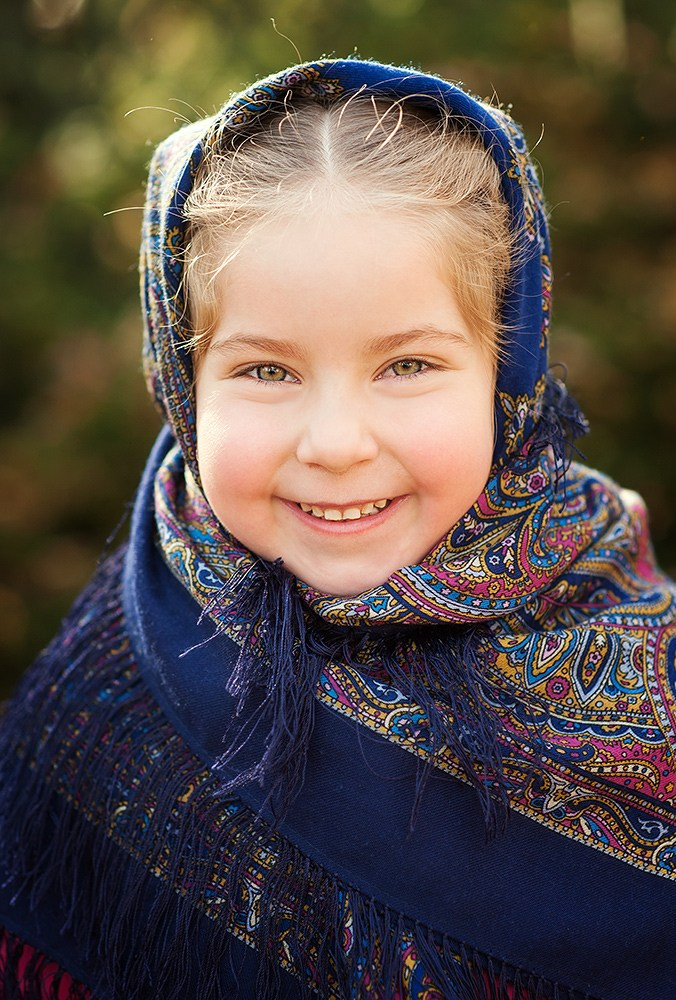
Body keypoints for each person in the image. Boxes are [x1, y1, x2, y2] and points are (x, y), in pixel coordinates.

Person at [0, 58, 674, 1000]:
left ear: (505, 373)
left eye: (406, 365)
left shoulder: (637, 657)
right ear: (182, 384)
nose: (336, 444)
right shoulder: (114, 684)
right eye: (267, 372)